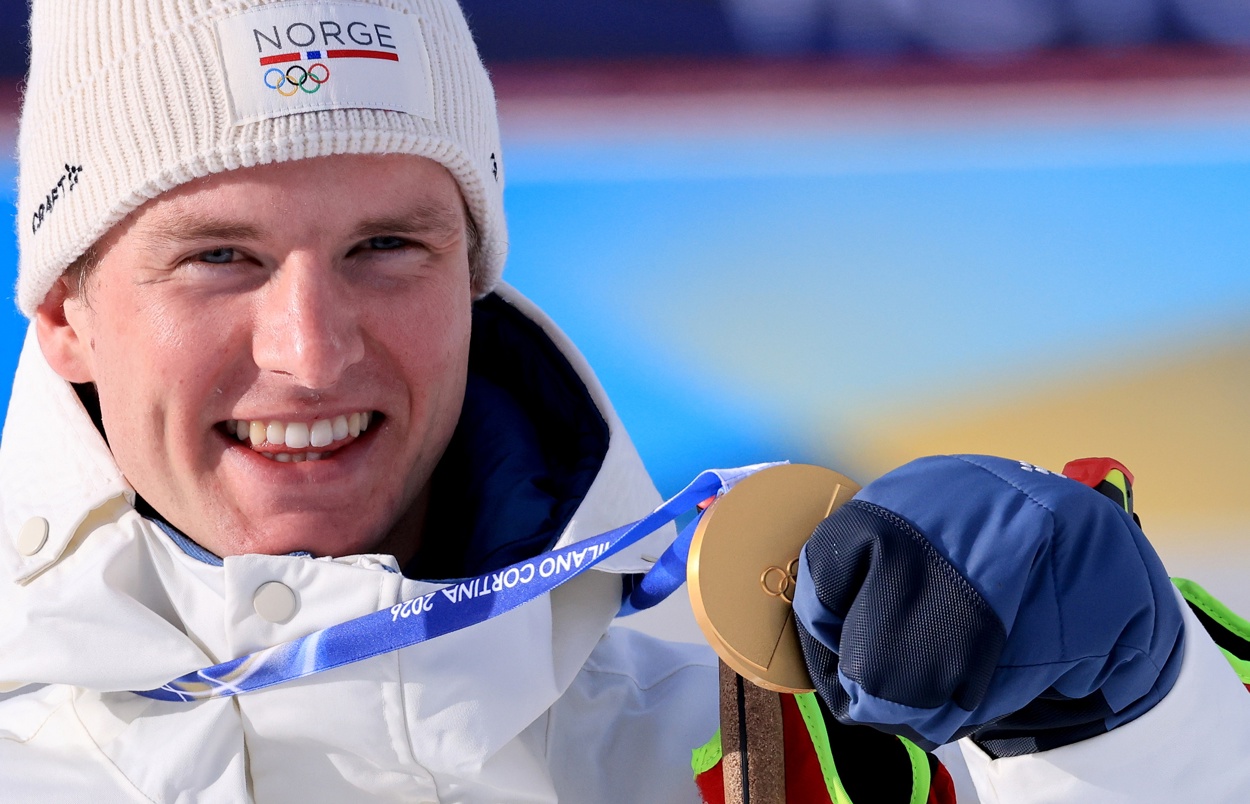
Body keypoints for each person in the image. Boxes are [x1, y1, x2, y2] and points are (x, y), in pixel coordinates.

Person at [2, 1, 1250, 802]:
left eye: (389, 244)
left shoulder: (769, 739)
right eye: (219, 256)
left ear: (474, 276)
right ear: (64, 311)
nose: (314, 352)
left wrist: (1124, 719)